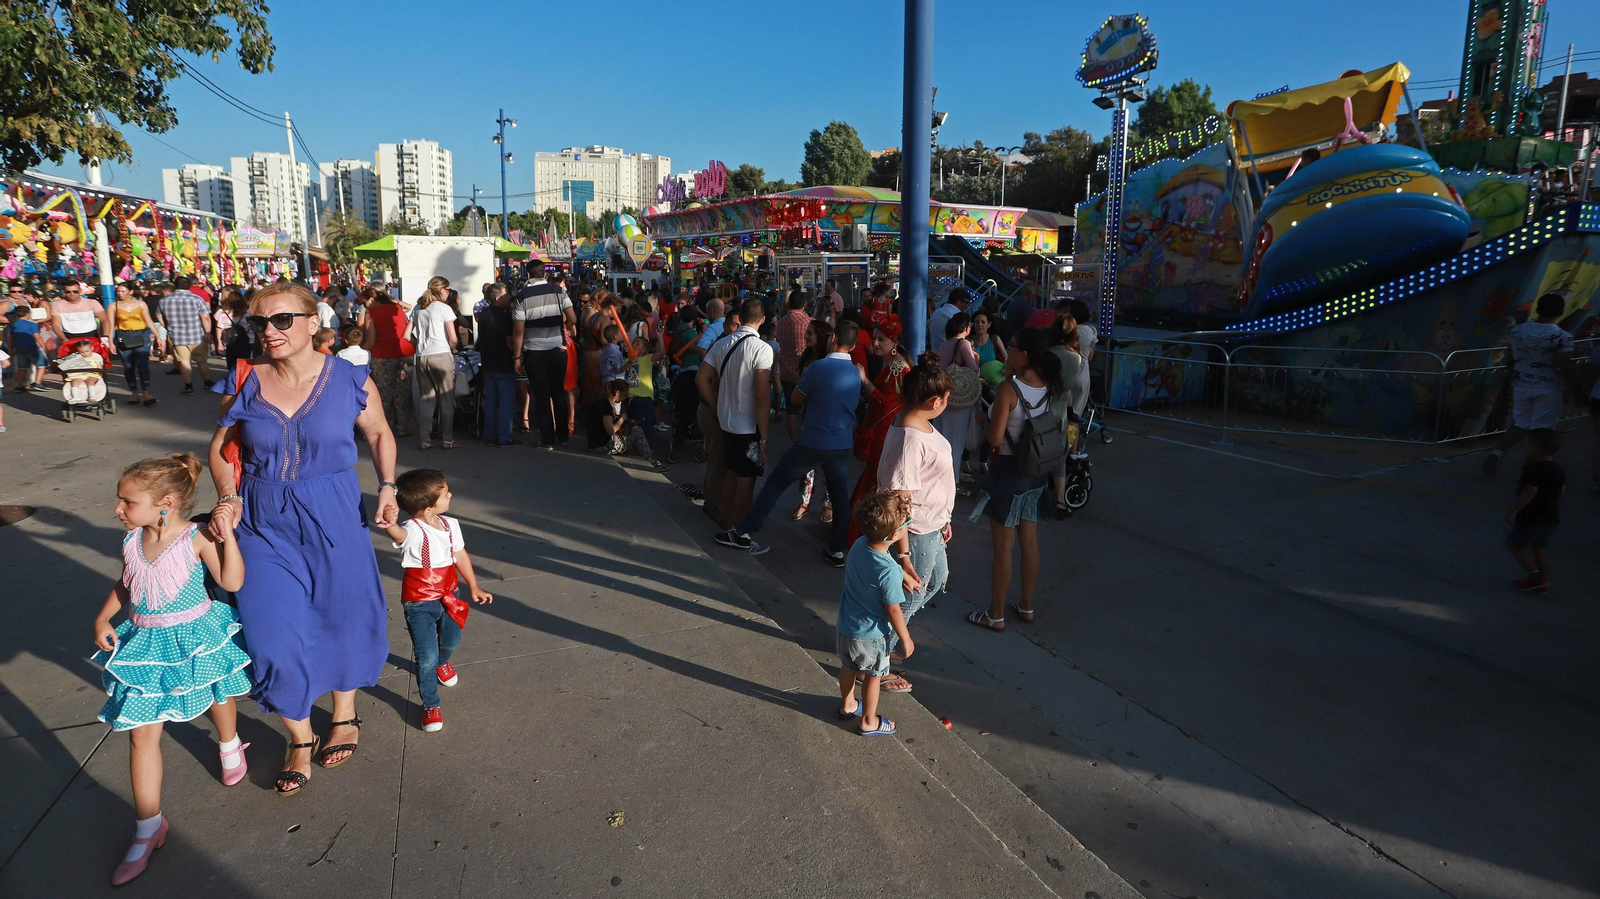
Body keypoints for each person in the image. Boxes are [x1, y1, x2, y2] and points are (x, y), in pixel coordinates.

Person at [206, 281, 397, 796]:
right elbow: (221, 448)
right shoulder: (245, 378)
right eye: (259, 323)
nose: (269, 331)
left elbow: (378, 433)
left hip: (335, 513)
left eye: (282, 320)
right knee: (271, 634)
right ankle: (297, 734)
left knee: (345, 615)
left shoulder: (351, 379)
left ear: (314, 323)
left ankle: (344, 712)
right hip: (262, 521)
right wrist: (228, 496)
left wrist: (386, 486)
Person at [91, 453, 251, 885]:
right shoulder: (131, 541)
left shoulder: (195, 537)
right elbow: (127, 583)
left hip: (196, 635)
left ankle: (229, 742)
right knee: (142, 735)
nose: (118, 509)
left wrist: (228, 538)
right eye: (120, 500)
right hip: (146, 644)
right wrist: (104, 617)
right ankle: (147, 828)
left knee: (218, 693)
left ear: (165, 502)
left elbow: (232, 582)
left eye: (127, 501)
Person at [724, 320, 862, 557]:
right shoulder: (855, 372)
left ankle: (744, 532)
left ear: (833, 339)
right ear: (853, 345)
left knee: (775, 484)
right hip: (842, 442)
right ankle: (837, 550)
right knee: (840, 497)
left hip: (814, 440)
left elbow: (796, 399)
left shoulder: (818, 368)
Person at [382, 469, 493, 733]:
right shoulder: (412, 529)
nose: (450, 495)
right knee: (426, 657)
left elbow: (461, 556)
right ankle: (431, 703)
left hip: (449, 595)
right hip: (419, 602)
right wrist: (390, 523)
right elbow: (399, 535)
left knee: (452, 641)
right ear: (428, 508)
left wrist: (474, 585)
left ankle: (443, 663)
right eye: (445, 493)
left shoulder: (451, 525)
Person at [967, 327, 1061, 632]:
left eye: (1013, 346)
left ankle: (995, 614)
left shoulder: (1010, 389)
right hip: (1035, 471)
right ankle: (1027, 606)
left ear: (1024, 354)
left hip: (1007, 470)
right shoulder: (1047, 385)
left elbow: (994, 439)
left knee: (1004, 547)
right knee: (1029, 541)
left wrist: (983, 420)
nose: (1008, 349)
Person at [877, 360, 954, 691]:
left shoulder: (920, 423)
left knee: (936, 580)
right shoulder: (911, 437)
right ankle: (877, 662)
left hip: (932, 526)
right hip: (916, 532)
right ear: (935, 401)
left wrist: (945, 518)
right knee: (907, 598)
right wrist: (905, 556)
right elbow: (900, 498)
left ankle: (886, 640)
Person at [834, 491, 915, 737]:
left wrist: (902, 573)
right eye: (906, 525)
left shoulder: (860, 544)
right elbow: (892, 609)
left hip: (846, 626)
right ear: (893, 535)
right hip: (871, 635)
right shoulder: (889, 571)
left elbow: (880, 563)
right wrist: (906, 638)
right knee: (873, 675)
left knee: (848, 666)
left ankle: (848, 704)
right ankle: (869, 720)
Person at [703, 298, 774, 543]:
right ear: (762, 320)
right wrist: (764, 437)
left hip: (726, 422)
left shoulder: (722, 344)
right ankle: (742, 534)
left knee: (731, 475)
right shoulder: (762, 349)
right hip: (747, 426)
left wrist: (715, 403)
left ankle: (728, 524)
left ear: (739, 318)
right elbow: (762, 396)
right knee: (746, 481)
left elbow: (701, 379)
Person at [845, 311, 913, 551]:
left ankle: (868, 535)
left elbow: (887, 403)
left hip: (884, 434)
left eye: (881, 339)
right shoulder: (893, 364)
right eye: (874, 338)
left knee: (877, 482)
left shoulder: (896, 367)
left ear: (894, 343)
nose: (875, 343)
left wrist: (865, 380)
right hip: (884, 433)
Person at [1485, 293, 1573, 475]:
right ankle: (1531, 471)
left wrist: (1514, 380)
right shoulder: (1562, 337)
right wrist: (1575, 391)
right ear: (1561, 312)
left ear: (1537, 308)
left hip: (1522, 385)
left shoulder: (1517, 332)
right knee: (1541, 432)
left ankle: (1496, 453)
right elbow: (1566, 366)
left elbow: (1510, 361)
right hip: (1548, 388)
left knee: (1519, 424)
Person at [511, 260, 576, 450]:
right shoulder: (558, 292)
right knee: (558, 392)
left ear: (528, 275)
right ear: (544, 274)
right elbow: (572, 318)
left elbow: (518, 330)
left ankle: (548, 438)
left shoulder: (522, 296)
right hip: (557, 349)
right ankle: (563, 435)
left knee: (541, 395)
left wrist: (516, 357)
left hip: (534, 352)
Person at [1504, 428, 1564, 594]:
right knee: (1541, 548)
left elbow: (1530, 491)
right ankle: (1541, 582)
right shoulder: (1557, 469)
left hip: (1533, 518)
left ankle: (1536, 576)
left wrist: (1513, 511)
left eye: (1526, 443)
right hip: (1551, 517)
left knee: (1513, 544)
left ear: (1534, 448)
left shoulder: (1534, 469)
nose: (1524, 446)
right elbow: (1561, 491)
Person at [790, 319, 837, 523]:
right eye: (806, 333)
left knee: (826, 462)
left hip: (825, 419)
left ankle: (828, 503)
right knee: (806, 463)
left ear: (821, 336)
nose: (806, 336)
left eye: (810, 333)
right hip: (807, 416)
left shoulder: (829, 361)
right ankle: (804, 501)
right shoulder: (808, 357)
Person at [1048, 319, 1091, 517]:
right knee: (1059, 457)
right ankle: (1059, 499)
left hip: (1043, 406)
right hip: (1062, 410)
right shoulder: (1076, 358)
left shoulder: (1048, 355)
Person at [410, 276, 459, 450]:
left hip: (422, 357)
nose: (449, 293)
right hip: (441, 354)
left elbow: (406, 334)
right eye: (448, 290)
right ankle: (448, 439)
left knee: (427, 399)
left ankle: (425, 440)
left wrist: (419, 345)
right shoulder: (444, 309)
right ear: (441, 290)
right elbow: (453, 338)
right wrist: (452, 348)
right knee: (446, 399)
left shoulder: (418, 308)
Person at [933, 312, 980, 478]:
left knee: (942, 437)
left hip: (944, 396)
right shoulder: (964, 344)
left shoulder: (946, 343)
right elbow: (973, 369)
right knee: (955, 442)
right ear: (966, 327)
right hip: (958, 398)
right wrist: (976, 358)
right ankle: (952, 480)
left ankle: (939, 475)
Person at [364, 287, 416, 437]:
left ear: (372, 299)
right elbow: (408, 309)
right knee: (403, 393)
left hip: (382, 356)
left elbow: (371, 341)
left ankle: (384, 427)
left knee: (384, 394)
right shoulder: (397, 309)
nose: (364, 305)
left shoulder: (370, 314)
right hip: (404, 353)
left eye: (365, 302)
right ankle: (403, 427)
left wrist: (359, 346)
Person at [475, 282, 518, 447]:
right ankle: (504, 437)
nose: (508, 297)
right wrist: (517, 356)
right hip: (503, 364)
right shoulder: (504, 317)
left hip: (487, 363)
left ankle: (491, 435)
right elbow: (509, 343)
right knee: (506, 401)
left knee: (491, 401)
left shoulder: (483, 315)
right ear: (498, 298)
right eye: (506, 295)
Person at [158, 275, 214, 395]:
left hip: (177, 336)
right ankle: (207, 383)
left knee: (184, 361)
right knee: (202, 361)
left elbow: (161, 317)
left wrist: (167, 327)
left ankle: (189, 387)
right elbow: (205, 317)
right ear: (189, 285)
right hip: (197, 335)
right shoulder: (197, 299)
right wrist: (208, 332)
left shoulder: (164, 300)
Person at [108, 280, 157, 407]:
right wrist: (110, 341)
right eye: (118, 291)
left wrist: (158, 337)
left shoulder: (141, 304)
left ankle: (146, 392)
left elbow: (149, 321)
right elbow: (110, 325)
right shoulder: (114, 306)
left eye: (123, 291)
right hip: (123, 335)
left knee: (142, 364)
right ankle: (134, 392)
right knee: (128, 366)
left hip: (140, 335)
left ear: (130, 292)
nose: (120, 293)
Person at [776, 289, 812, 407]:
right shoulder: (810, 322)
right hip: (805, 371)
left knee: (791, 409)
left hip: (786, 371)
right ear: (805, 304)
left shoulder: (780, 323)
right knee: (807, 406)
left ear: (789, 304)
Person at [5, 306, 46, 393]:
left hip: (19, 347)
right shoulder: (32, 324)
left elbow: (11, 339)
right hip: (32, 347)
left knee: (22, 367)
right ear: (28, 314)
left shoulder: (13, 325)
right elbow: (37, 337)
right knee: (42, 365)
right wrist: (43, 346)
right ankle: (37, 383)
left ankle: (19, 385)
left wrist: (10, 349)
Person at [59, 338, 107, 404]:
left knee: (90, 381)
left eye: (87, 351)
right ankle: (75, 397)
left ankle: (92, 397)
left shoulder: (96, 357)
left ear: (92, 349)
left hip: (92, 374)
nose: (85, 354)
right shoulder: (77, 357)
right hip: (79, 374)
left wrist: (98, 370)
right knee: (74, 382)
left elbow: (99, 366)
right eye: (82, 352)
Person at [927, 287, 971, 356]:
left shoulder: (936, 313)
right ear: (959, 301)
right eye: (966, 302)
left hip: (935, 356)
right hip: (952, 358)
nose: (967, 306)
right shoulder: (957, 316)